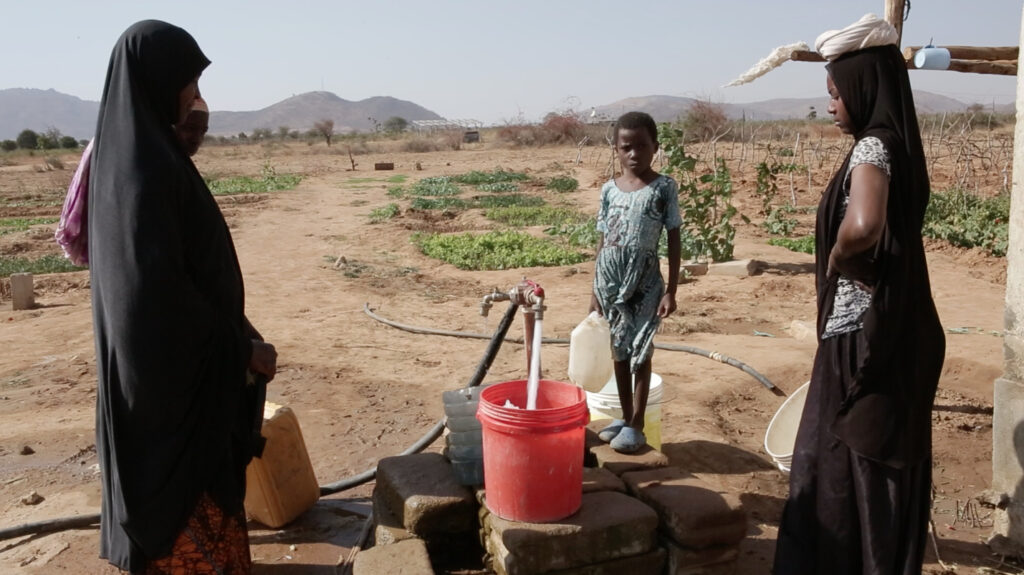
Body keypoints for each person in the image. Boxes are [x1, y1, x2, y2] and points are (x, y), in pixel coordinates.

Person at [88, 20, 277, 573]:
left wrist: (239, 332)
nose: (197, 99)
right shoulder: (144, 174)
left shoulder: (141, 161)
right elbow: (154, 302)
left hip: (181, 384)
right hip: (171, 403)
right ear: (156, 81)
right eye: (189, 85)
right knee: (185, 534)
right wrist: (239, 350)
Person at [773, 14, 945, 574]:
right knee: (876, 464)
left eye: (835, 94)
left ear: (863, 88)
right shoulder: (902, 145)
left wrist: (840, 258)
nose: (831, 106)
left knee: (841, 463)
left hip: (859, 340)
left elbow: (864, 225)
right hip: (901, 330)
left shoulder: (873, 147)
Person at [589, 111, 681, 454]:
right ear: (616, 148)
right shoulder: (608, 190)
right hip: (611, 281)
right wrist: (594, 289)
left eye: (642, 146)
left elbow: (673, 239)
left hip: (645, 282)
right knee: (619, 351)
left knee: (641, 351)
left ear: (655, 147)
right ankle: (625, 417)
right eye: (626, 147)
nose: (634, 154)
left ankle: (638, 423)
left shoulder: (663, 187)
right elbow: (602, 239)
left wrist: (671, 289)